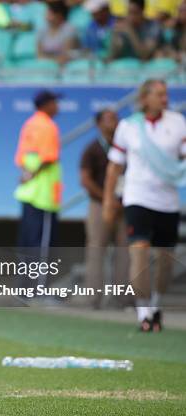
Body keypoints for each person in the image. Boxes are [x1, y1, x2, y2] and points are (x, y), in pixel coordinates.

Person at [103, 79, 186, 332]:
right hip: (137, 197)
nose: (164, 99)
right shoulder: (129, 127)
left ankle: (156, 304)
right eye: (159, 94)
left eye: (166, 94)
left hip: (167, 200)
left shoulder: (177, 122)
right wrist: (108, 200)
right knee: (138, 251)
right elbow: (115, 166)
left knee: (164, 259)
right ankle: (143, 311)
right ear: (145, 98)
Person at [80, 109, 129, 309]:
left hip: (124, 206)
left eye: (116, 118)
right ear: (99, 124)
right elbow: (85, 179)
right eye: (108, 119)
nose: (113, 122)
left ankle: (123, 299)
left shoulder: (126, 147)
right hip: (99, 205)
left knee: (125, 252)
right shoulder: (92, 148)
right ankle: (94, 299)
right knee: (96, 249)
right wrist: (107, 198)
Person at [14, 90, 62, 249]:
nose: (57, 106)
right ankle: (39, 275)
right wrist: (32, 174)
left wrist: (27, 175)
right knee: (42, 244)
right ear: (46, 105)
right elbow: (48, 158)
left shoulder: (29, 124)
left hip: (28, 192)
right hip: (44, 196)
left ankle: (24, 275)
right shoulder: (48, 126)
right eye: (55, 102)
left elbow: (21, 158)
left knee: (27, 241)